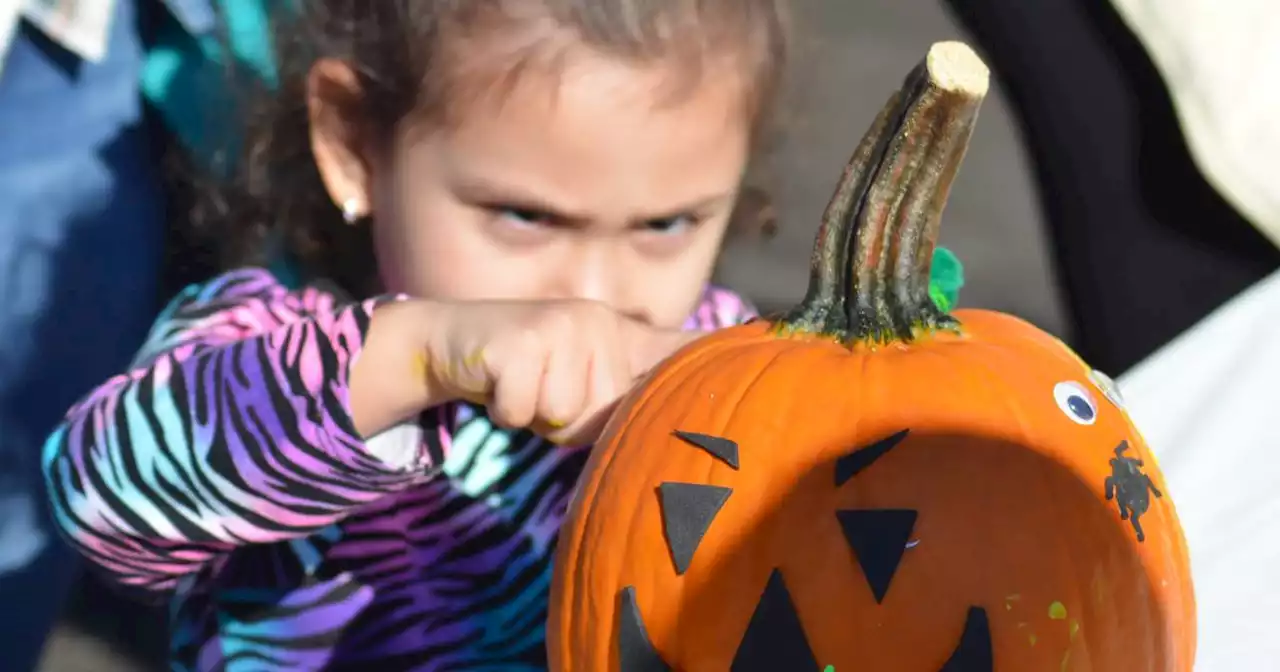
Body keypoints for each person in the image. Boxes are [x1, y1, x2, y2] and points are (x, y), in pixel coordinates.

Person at [40, 1, 956, 668]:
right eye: (524, 216)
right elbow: (101, 496)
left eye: (667, 225)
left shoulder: (729, 370)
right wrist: (423, 355)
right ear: (355, 142)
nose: (597, 293)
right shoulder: (267, 353)